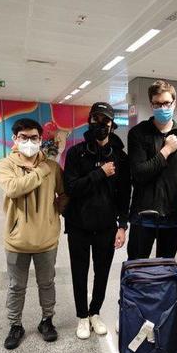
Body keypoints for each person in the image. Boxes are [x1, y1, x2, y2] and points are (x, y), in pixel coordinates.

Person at [0, 118, 67, 350]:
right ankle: (15, 325)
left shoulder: (53, 167)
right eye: (23, 137)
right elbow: (14, 188)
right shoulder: (5, 165)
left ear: (40, 139)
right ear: (15, 139)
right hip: (17, 239)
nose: (29, 142)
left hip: (47, 239)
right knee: (16, 285)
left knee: (47, 283)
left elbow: (64, 193)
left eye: (34, 137)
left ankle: (47, 321)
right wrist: (41, 170)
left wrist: (55, 212)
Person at [63, 102, 130, 340]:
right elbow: (71, 187)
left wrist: (122, 226)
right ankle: (82, 315)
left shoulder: (120, 157)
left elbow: (125, 195)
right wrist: (100, 173)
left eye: (105, 121)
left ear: (112, 125)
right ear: (89, 120)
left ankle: (95, 312)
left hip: (106, 226)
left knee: (102, 272)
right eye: (96, 120)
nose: (100, 125)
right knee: (79, 272)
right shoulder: (75, 153)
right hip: (78, 225)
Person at [127, 80, 177, 259]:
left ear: (174, 103)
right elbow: (139, 173)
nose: (162, 108)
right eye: (157, 104)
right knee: (137, 266)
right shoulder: (138, 133)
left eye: (166, 103)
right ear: (151, 105)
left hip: (172, 215)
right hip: (143, 215)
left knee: (166, 267)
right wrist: (166, 151)